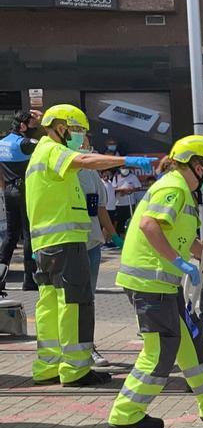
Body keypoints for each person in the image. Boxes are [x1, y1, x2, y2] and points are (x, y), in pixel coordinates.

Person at [107, 135, 203, 428]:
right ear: (196, 165)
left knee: (191, 342)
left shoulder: (179, 189)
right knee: (160, 351)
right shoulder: (173, 187)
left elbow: (189, 242)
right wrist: (178, 262)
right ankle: (126, 413)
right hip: (151, 282)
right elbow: (150, 226)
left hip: (163, 283)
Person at [27, 104, 151, 387]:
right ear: (61, 127)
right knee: (75, 303)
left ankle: (48, 365)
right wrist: (125, 160)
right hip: (65, 242)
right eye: (78, 131)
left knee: (50, 305)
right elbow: (84, 159)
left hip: (45, 243)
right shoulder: (54, 150)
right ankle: (76, 368)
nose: (81, 137)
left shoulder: (40, 154)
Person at [74, 135, 119, 368]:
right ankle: (72, 349)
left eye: (84, 142)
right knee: (70, 301)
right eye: (78, 141)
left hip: (91, 242)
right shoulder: (61, 171)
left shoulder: (92, 175)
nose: (83, 146)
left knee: (88, 298)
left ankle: (88, 346)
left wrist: (112, 234)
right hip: (68, 243)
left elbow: (100, 207)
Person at [0, 109, 41, 293]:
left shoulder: (2, 143)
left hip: (8, 190)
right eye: (31, 124)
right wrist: (41, 122)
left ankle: (1, 278)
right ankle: (29, 280)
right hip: (25, 190)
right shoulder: (25, 142)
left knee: (10, 235)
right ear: (23, 125)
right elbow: (46, 143)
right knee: (28, 235)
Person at [111, 165, 145, 235]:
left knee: (129, 220)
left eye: (126, 168)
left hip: (130, 203)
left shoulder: (133, 177)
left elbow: (138, 187)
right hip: (118, 203)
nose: (124, 169)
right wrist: (122, 189)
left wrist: (130, 190)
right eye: (123, 168)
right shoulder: (116, 177)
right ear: (120, 169)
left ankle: (128, 235)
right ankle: (116, 236)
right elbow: (112, 189)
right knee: (117, 221)